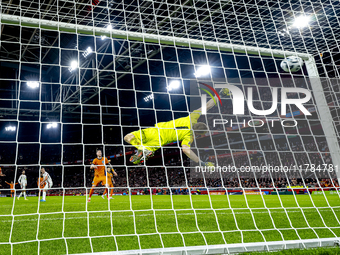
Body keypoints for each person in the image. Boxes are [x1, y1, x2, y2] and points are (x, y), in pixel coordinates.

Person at [124, 88, 229, 166]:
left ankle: (140, 147)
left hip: (155, 131)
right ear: (198, 133)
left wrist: (218, 96)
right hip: (158, 141)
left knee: (127, 137)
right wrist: (202, 163)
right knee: (141, 151)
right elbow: (186, 150)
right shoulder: (189, 136)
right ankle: (144, 149)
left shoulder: (192, 117)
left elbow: (206, 106)